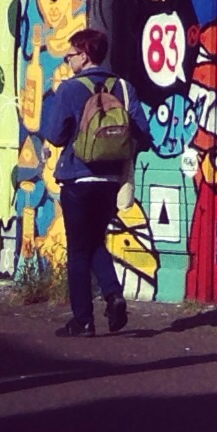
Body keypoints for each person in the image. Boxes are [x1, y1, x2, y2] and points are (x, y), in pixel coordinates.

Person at [42, 27, 150, 337]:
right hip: (110, 181)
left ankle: (83, 320)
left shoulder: (69, 89)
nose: (67, 60)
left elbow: (55, 135)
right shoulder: (124, 88)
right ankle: (113, 295)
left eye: (70, 55)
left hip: (77, 178)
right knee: (94, 241)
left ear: (85, 55)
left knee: (78, 249)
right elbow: (142, 134)